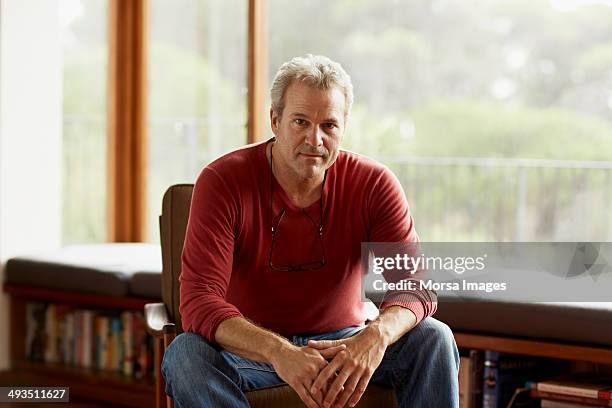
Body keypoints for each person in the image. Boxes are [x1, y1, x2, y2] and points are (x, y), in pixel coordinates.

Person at [162, 54, 459, 408]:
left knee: (434, 337)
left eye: (329, 125)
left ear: (344, 127)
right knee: (185, 355)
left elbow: (415, 286)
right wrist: (280, 352)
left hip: (344, 346)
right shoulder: (222, 181)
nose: (314, 139)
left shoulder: (375, 184)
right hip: (252, 352)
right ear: (275, 120)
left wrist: (374, 336)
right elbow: (198, 302)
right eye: (300, 121)